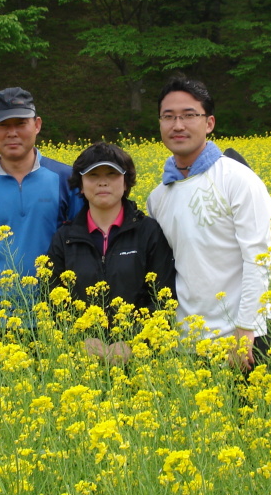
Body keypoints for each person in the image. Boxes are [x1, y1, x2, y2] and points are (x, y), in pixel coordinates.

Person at [145, 76, 271, 372]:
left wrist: (247, 329)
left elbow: (259, 258)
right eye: (169, 117)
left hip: (240, 339)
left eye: (189, 115)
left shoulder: (238, 179)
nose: (178, 125)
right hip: (184, 343)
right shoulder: (158, 197)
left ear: (209, 123)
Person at [47, 142, 176, 362]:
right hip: (82, 361)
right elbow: (51, 299)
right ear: (81, 184)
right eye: (93, 175)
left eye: (112, 174)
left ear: (126, 183)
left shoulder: (149, 232)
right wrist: (81, 339)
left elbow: (164, 297)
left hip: (143, 360)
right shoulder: (65, 237)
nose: (103, 182)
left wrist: (132, 341)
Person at [0, 87, 81, 307]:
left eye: (20, 124)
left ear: (37, 125)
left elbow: (86, 249)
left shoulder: (67, 179)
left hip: (59, 320)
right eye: (3, 125)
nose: (12, 133)